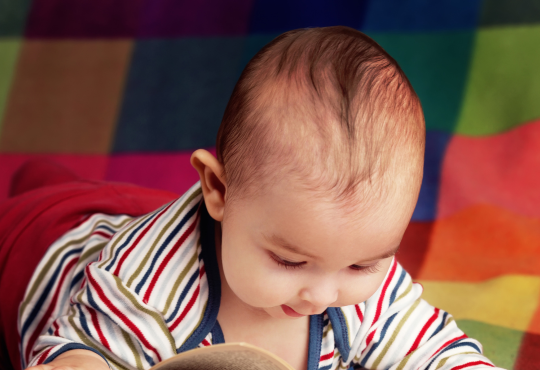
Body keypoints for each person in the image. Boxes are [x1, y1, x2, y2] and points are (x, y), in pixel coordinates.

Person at [0, 26, 500, 370]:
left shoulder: (353, 272)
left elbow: (437, 350)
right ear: (217, 189)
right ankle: (41, 185)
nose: (324, 296)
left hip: (180, 217)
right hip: (47, 250)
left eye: (361, 267)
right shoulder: (144, 291)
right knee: (51, 204)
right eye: (289, 260)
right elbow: (84, 349)